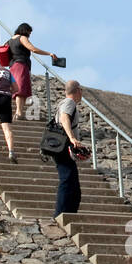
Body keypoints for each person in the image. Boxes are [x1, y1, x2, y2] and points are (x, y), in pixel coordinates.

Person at [8, 23, 57, 120]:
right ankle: (18, 113)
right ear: (25, 30)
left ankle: (20, 112)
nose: (29, 35)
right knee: (20, 89)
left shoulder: (10, 40)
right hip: (21, 65)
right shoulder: (22, 38)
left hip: (13, 66)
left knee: (19, 89)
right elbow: (33, 49)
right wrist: (49, 54)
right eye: (29, 32)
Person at [52, 79, 86, 218]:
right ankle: (61, 214)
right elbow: (64, 118)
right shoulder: (69, 103)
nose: (82, 93)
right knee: (67, 179)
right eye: (81, 90)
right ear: (77, 90)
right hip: (63, 146)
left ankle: (70, 213)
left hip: (62, 146)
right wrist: (72, 138)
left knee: (73, 183)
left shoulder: (66, 103)